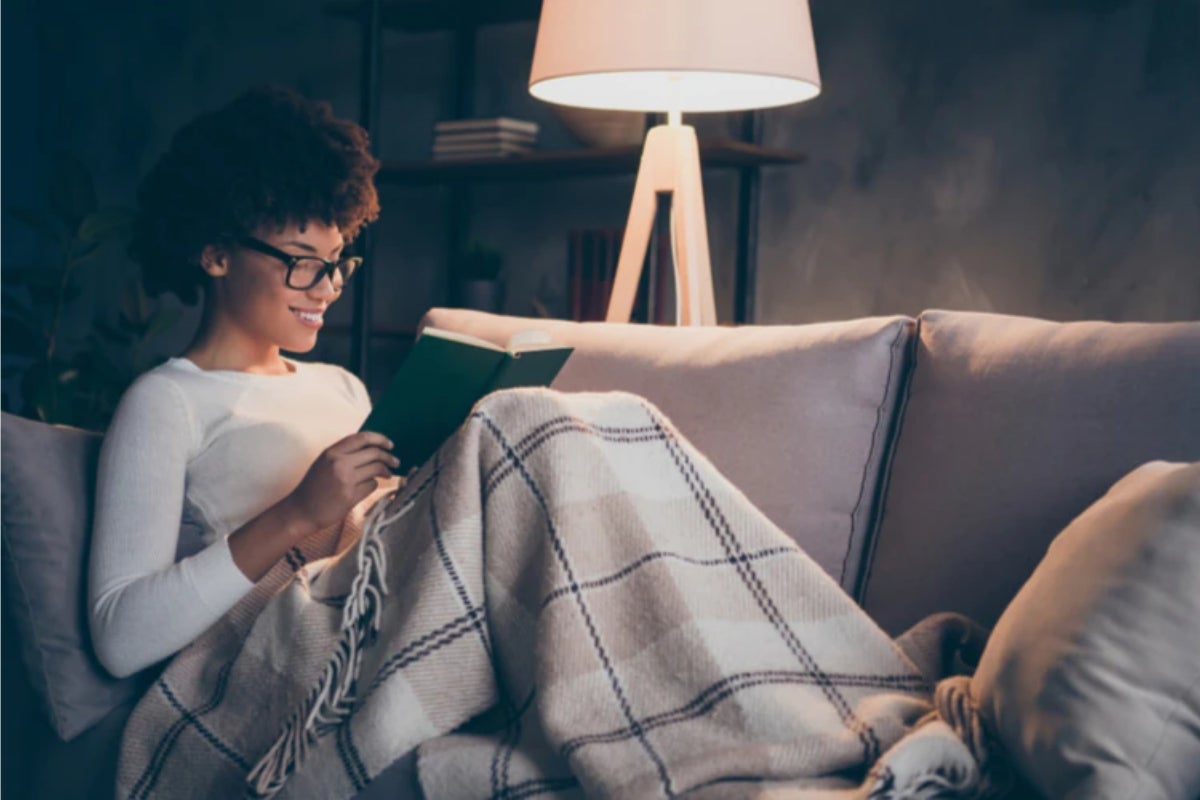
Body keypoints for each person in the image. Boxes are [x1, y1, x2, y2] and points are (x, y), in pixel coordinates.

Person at [87, 86, 400, 680]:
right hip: (288, 658)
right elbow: (119, 637)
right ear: (215, 255)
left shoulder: (344, 389)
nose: (328, 288)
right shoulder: (166, 401)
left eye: (336, 262)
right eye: (302, 260)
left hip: (386, 610)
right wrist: (299, 511)